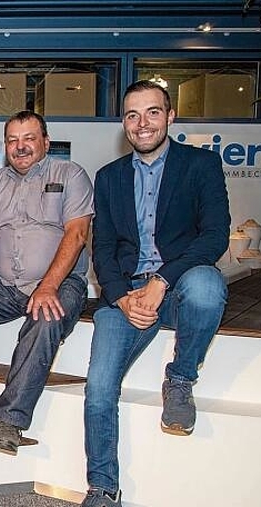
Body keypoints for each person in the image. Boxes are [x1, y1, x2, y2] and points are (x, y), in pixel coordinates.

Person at [81, 81, 229, 507]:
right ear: (123, 123)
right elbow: (103, 249)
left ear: (170, 117)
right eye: (132, 115)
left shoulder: (201, 166)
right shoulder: (109, 178)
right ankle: (103, 488)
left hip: (178, 282)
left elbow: (215, 236)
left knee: (206, 286)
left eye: (151, 112)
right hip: (127, 293)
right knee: (99, 387)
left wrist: (161, 281)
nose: (141, 123)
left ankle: (180, 379)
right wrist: (122, 297)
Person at [0, 110, 93, 456]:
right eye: (13, 140)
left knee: (45, 317)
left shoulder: (70, 174)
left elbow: (78, 232)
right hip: (2, 282)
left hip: (59, 280)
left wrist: (49, 285)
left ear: (46, 142)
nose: (20, 146)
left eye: (28, 138)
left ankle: (10, 420)